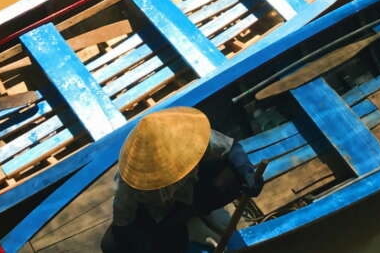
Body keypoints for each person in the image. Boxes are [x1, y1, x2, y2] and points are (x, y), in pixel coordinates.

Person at [101, 107, 262, 253]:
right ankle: (176, 224)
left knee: (233, 176)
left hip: (195, 193)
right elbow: (123, 222)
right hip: (160, 214)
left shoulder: (187, 136)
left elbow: (231, 148)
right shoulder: (129, 184)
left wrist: (247, 172)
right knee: (112, 245)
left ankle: (192, 213)